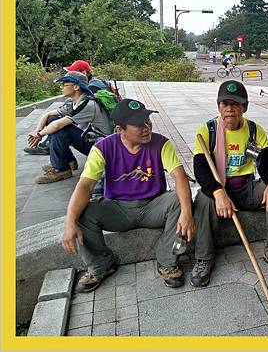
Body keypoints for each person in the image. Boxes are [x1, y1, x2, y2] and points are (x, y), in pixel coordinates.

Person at [61, 99, 195, 292]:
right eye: (139, 125)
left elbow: (179, 176)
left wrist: (187, 213)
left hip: (153, 206)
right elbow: (85, 185)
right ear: (119, 130)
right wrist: (69, 221)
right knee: (82, 212)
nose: (147, 127)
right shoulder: (103, 148)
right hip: (117, 209)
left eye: (148, 121)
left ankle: (168, 261)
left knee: (179, 201)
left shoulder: (161, 143)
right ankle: (101, 265)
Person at [192, 80, 268, 286]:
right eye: (225, 104)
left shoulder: (254, 131)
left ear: (244, 107)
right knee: (203, 199)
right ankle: (204, 258)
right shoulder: (207, 131)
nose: (230, 109)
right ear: (218, 106)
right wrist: (218, 192)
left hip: (246, 187)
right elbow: (201, 171)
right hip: (219, 188)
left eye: (235, 104)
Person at [27, 71, 112, 184]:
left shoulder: (87, 104)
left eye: (65, 85)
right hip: (90, 140)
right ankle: (68, 161)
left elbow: (57, 126)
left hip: (102, 147)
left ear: (76, 87)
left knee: (60, 128)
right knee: (52, 120)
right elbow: (47, 115)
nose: (61, 88)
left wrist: (39, 135)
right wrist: (37, 131)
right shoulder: (74, 103)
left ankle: (61, 169)